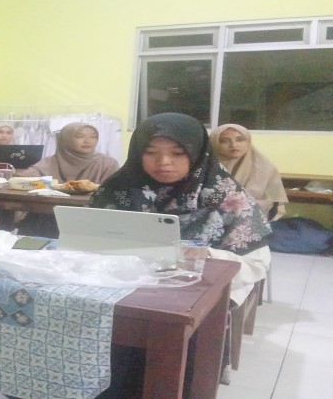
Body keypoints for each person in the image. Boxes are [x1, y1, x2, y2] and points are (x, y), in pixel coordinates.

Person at [90, 113, 271, 305]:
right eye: (150, 152)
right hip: (120, 282)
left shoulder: (227, 196)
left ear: (197, 153)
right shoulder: (117, 190)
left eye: (178, 153)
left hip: (201, 289)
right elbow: (85, 243)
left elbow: (257, 265)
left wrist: (208, 254)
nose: (163, 161)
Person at [16, 122, 119, 238]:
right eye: (80, 136)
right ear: (66, 140)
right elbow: (23, 179)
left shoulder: (107, 164)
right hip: (46, 217)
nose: (88, 141)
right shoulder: (50, 161)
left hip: (89, 220)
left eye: (93, 137)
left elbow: (111, 195)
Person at [210, 123, 288, 221]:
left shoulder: (265, 169)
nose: (233, 145)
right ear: (214, 143)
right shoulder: (206, 167)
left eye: (240, 140)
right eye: (224, 141)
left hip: (256, 220)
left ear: (248, 142)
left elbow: (273, 204)